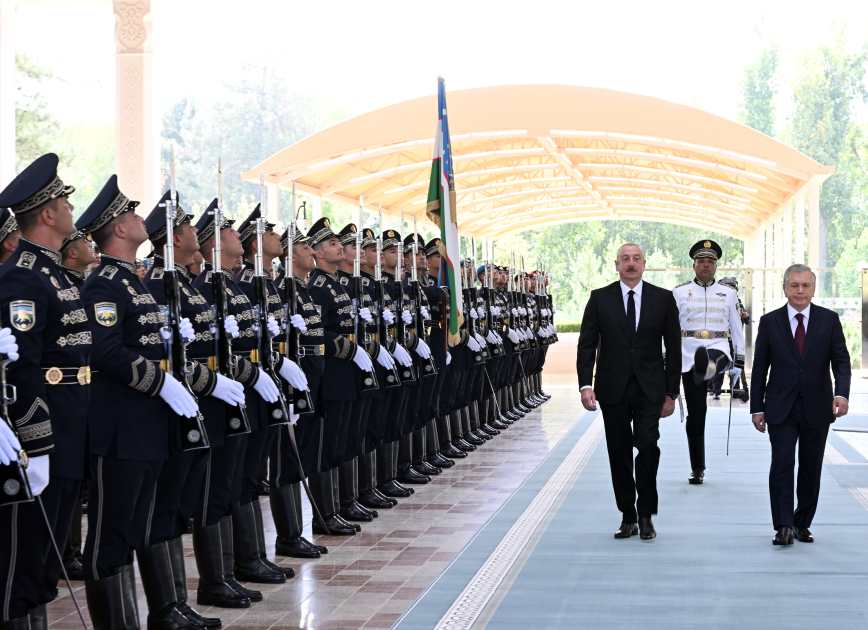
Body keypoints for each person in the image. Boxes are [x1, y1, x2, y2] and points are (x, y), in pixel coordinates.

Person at [78, 174, 201, 630]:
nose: (139, 217)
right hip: (121, 428)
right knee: (110, 536)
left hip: (148, 425)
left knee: (135, 527)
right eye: (131, 213)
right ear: (119, 229)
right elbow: (105, 351)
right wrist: (160, 383)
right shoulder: (104, 285)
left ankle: (156, 615)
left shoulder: (134, 283)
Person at [0, 153, 90, 630]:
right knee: (26, 562)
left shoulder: (57, 274)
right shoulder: (22, 275)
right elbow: (22, 367)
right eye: (64, 202)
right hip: (47, 429)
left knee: (46, 563)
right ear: (48, 214)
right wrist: (36, 444)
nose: (71, 211)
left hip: (71, 426)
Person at [576, 243, 681, 540]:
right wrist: (585, 384)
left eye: (636, 259)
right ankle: (628, 516)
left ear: (645, 264)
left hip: (650, 388)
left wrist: (671, 392)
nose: (631, 264)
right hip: (612, 389)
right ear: (616, 265)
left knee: (647, 446)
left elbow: (674, 349)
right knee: (618, 452)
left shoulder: (662, 299)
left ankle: (646, 514)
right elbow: (587, 344)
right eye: (625, 259)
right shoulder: (599, 299)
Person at [750, 263, 851, 546]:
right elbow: (760, 368)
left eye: (805, 285)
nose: (800, 291)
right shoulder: (770, 322)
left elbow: (841, 362)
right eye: (794, 285)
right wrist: (757, 407)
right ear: (784, 288)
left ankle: (802, 522)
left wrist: (841, 394)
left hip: (818, 406)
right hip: (781, 406)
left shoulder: (829, 320)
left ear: (813, 288)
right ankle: (782, 525)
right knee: (781, 464)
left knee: (810, 466)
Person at [671, 240, 745, 484]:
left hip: (718, 347)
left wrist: (739, 361)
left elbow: (736, 328)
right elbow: (669, 329)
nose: (706, 266)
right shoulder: (679, 292)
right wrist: (665, 355)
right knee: (697, 414)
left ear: (716, 267)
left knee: (714, 358)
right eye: (701, 262)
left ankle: (710, 367)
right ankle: (697, 467)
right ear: (694, 266)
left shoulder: (729, 293)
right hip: (687, 354)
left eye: (710, 262)